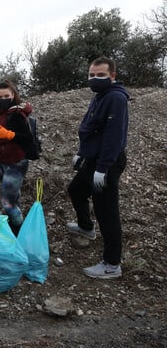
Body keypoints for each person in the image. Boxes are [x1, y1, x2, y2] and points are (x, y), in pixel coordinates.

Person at [67, 57, 128, 279]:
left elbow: (114, 137)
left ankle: (112, 264)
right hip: (93, 159)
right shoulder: (99, 96)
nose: (95, 79)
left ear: (112, 76)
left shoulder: (116, 98)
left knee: (107, 212)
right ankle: (86, 227)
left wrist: (103, 168)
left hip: (107, 162)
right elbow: (91, 128)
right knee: (76, 190)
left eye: (101, 75)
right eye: (92, 75)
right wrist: (81, 153)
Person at [0, 80, 34, 235]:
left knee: (7, 202)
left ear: (13, 95)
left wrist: (11, 135)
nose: (3, 98)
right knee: (13, 197)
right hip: (2, 162)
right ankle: (15, 220)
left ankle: (18, 230)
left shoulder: (16, 114)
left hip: (16, 162)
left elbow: (28, 138)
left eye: (6, 95)